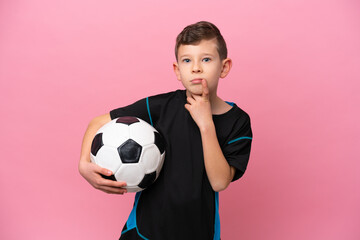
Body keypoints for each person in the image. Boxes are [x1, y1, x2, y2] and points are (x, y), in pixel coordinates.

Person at [79, 21, 253, 240]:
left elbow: (219, 181)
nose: (196, 67)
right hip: (144, 232)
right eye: (187, 60)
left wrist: (206, 123)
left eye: (206, 59)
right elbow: (97, 122)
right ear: (177, 70)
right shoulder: (160, 107)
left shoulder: (238, 121)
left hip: (199, 232)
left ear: (224, 67)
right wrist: (84, 165)